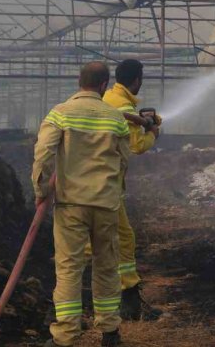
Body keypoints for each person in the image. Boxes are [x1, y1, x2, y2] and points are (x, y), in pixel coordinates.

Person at [32, 62, 129, 347]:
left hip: (71, 204)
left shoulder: (60, 113)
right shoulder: (115, 118)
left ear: (79, 81)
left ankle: (65, 336)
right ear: (104, 85)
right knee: (107, 267)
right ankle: (110, 333)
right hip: (106, 204)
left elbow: (43, 153)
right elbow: (124, 161)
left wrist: (40, 189)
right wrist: (115, 190)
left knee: (69, 268)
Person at [102, 59, 162, 320]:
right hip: (105, 185)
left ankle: (105, 294)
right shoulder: (124, 106)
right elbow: (137, 145)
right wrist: (154, 133)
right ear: (137, 80)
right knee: (124, 239)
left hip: (82, 183)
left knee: (94, 241)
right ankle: (128, 302)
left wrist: (146, 120)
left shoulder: (106, 98)